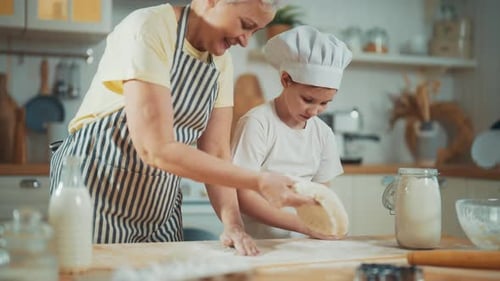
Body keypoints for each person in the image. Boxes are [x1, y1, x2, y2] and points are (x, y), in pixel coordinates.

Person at [49, 0, 316, 256]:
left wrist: (233, 223)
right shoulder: (148, 27)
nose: (245, 41)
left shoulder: (220, 62)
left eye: (254, 31)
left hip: (159, 206)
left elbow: (216, 151)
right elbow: (155, 148)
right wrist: (258, 181)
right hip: (95, 192)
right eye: (245, 24)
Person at [231, 25, 352, 239]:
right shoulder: (257, 123)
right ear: (285, 80)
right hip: (260, 243)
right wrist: (303, 226)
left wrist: (326, 224)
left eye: (325, 103)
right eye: (308, 100)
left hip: (305, 245)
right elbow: (243, 195)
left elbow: (322, 195)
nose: (315, 111)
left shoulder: (323, 134)